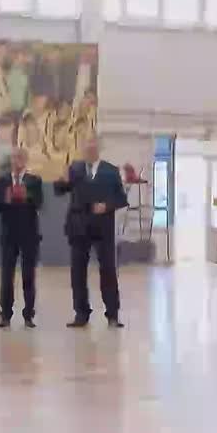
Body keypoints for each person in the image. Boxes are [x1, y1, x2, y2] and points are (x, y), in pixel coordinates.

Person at [55, 137, 128, 328]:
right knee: (78, 273)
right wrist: (61, 179)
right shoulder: (74, 169)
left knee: (108, 271)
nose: (89, 150)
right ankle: (81, 314)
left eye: (93, 147)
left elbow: (121, 198)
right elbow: (60, 190)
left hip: (103, 228)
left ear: (98, 149)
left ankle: (112, 315)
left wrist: (107, 206)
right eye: (86, 147)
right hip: (78, 227)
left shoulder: (111, 171)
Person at [0, 147, 43, 328]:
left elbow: (39, 203)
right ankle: (5, 315)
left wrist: (26, 196)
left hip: (29, 234)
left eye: (21, 157)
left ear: (25, 160)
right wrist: (6, 200)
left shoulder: (34, 180)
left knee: (28, 275)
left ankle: (28, 315)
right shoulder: (2, 180)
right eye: (15, 157)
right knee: (7, 276)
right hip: (8, 234)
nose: (17, 160)